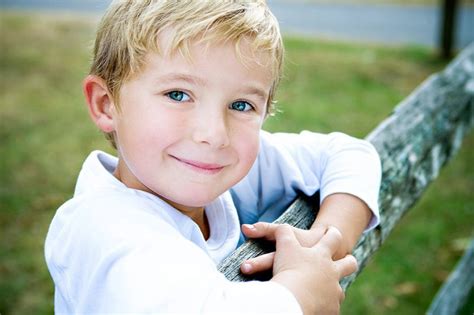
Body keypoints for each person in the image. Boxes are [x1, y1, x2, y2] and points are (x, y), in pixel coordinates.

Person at [44, 1, 382, 314]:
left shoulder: (226, 169)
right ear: (106, 104)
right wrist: (298, 295)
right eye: (178, 95)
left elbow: (349, 153)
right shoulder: (102, 230)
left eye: (240, 105)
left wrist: (325, 240)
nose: (214, 133)